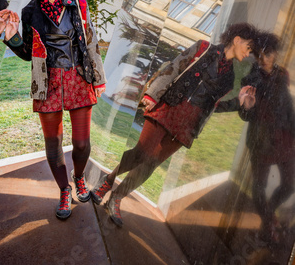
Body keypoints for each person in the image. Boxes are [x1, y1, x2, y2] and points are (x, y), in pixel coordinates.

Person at [91, 22, 258, 227]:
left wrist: (239, 102)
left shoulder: (230, 77)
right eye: (248, 47)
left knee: (151, 164)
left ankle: (117, 198)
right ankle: (108, 181)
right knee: (141, 153)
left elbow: (214, 106)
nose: (249, 53)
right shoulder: (203, 48)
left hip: (188, 125)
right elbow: (174, 67)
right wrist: (153, 94)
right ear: (237, 39)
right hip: (169, 107)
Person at [2, 0, 106, 220]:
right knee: (53, 145)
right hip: (46, 83)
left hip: (78, 79)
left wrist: (99, 78)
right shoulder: (30, 12)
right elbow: (27, 52)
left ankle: (79, 176)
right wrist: (11, 37)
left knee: (82, 144)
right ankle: (63, 189)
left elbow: (91, 42)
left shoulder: (78, 4)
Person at [238, 32, 295, 242]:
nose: (262, 59)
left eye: (267, 53)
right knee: (259, 186)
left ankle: (268, 218)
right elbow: (245, 114)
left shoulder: (283, 75)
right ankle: (269, 223)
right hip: (261, 140)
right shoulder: (250, 77)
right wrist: (247, 106)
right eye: (258, 54)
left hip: (285, 138)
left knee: (289, 185)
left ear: (275, 54)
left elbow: (287, 105)